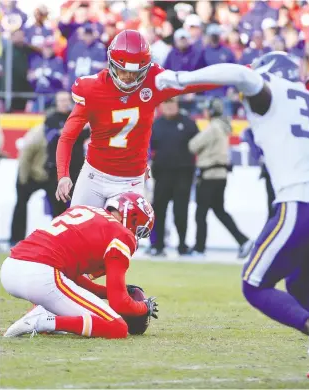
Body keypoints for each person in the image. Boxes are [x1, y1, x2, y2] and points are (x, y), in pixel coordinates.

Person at [154, 52, 309, 386]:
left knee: (254, 285)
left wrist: (181, 79)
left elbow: (240, 74)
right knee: (299, 287)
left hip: (300, 204)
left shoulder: (270, 91)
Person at [55, 29, 212, 209]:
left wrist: (241, 75)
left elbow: (192, 82)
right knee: (79, 233)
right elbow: (67, 136)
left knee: (123, 237)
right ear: (111, 64)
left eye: (135, 73)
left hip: (130, 180)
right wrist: (63, 175)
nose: (129, 77)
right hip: (94, 175)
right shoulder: (92, 88)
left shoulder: (153, 80)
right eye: (123, 71)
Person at [1, 192, 159, 339]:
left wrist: (107, 292)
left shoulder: (83, 209)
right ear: (132, 218)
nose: (136, 237)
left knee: (73, 301)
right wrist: (145, 307)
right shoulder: (123, 235)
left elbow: (72, 278)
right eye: (139, 231)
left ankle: (45, 313)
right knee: (117, 327)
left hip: (10, 268)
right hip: (41, 274)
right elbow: (120, 303)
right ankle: (43, 320)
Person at [188, 98, 253, 258]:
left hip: (209, 175)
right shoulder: (223, 127)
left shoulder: (213, 128)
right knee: (219, 211)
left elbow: (193, 145)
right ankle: (243, 240)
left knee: (201, 213)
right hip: (220, 175)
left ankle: (199, 248)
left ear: (211, 111)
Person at [149, 97, 198, 256]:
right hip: (162, 174)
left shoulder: (189, 123)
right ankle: (158, 245)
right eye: (166, 103)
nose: (169, 106)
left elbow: (198, 145)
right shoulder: (156, 124)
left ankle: (182, 245)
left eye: (172, 103)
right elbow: (148, 148)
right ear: (161, 105)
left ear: (177, 105)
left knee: (181, 211)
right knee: (159, 211)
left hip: (183, 174)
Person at [45, 91, 90, 217]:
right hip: (56, 168)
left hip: (76, 167)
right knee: (57, 205)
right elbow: (51, 137)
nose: (64, 103)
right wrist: (72, 131)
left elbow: (86, 133)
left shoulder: (75, 117)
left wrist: (66, 132)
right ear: (56, 102)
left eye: (66, 100)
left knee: (76, 205)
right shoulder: (51, 118)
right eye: (61, 100)